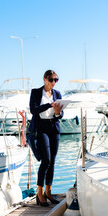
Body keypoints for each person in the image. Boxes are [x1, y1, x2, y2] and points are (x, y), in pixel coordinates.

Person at [29, 70, 63, 206]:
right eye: (51, 79)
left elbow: (61, 114)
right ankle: (40, 192)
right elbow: (33, 110)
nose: (53, 82)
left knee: (53, 161)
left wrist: (57, 113)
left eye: (56, 80)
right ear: (44, 79)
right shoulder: (36, 92)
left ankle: (48, 191)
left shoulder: (57, 94)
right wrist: (49, 105)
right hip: (41, 128)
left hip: (54, 127)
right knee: (46, 160)